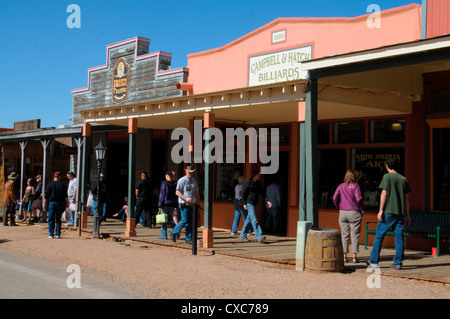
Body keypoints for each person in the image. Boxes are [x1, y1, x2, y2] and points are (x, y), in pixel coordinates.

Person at [368, 157, 411, 270]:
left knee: (379, 236)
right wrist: (407, 214)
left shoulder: (387, 177)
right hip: (400, 212)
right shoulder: (403, 179)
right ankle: (398, 262)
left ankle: (374, 261)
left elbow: (384, 193)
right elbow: (407, 198)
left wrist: (380, 210)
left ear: (387, 166)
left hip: (388, 211)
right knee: (399, 237)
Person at [333, 170, 365, 263]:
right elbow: (359, 199)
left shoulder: (341, 186)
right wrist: (361, 208)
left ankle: (344, 256)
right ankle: (354, 256)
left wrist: (338, 206)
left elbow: (335, 197)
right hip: (354, 211)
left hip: (343, 212)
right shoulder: (356, 186)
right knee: (355, 234)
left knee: (344, 234)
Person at [170, 166, 200, 244]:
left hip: (192, 204)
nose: (190, 173)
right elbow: (177, 192)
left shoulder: (194, 181)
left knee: (190, 222)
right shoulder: (182, 180)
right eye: (189, 172)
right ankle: (173, 232)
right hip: (184, 203)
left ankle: (188, 238)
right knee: (184, 219)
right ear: (186, 172)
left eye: (191, 172)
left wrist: (198, 203)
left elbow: (196, 193)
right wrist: (185, 198)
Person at [240, 170, 267, 243]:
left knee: (249, 220)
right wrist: (244, 203)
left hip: (255, 203)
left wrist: (268, 200)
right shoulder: (248, 182)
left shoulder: (258, 183)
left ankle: (243, 234)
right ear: (255, 175)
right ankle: (259, 236)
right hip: (249, 203)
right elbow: (243, 192)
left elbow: (262, 192)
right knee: (254, 219)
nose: (259, 176)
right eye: (258, 174)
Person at [44, 172, 69, 238]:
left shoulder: (50, 185)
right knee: (58, 219)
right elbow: (65, 196)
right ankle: (58, 233)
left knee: (51, 218)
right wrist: (67, 203)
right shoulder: (62, 185)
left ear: (54, 177)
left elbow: (46, 196)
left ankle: (51, 234)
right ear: (59, 177)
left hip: (52, 202)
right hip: (59, 203)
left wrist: (44, 204)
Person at [158, 171, 178, 239]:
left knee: (164, 220)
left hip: (165, 204)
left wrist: (160, 205)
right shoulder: (175, 184)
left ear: (167, 176)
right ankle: (176, 230)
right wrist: (175, 205)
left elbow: (162, 195)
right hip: (172, 204)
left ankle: (163, 236)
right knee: (170, 219)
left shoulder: (164, 184)